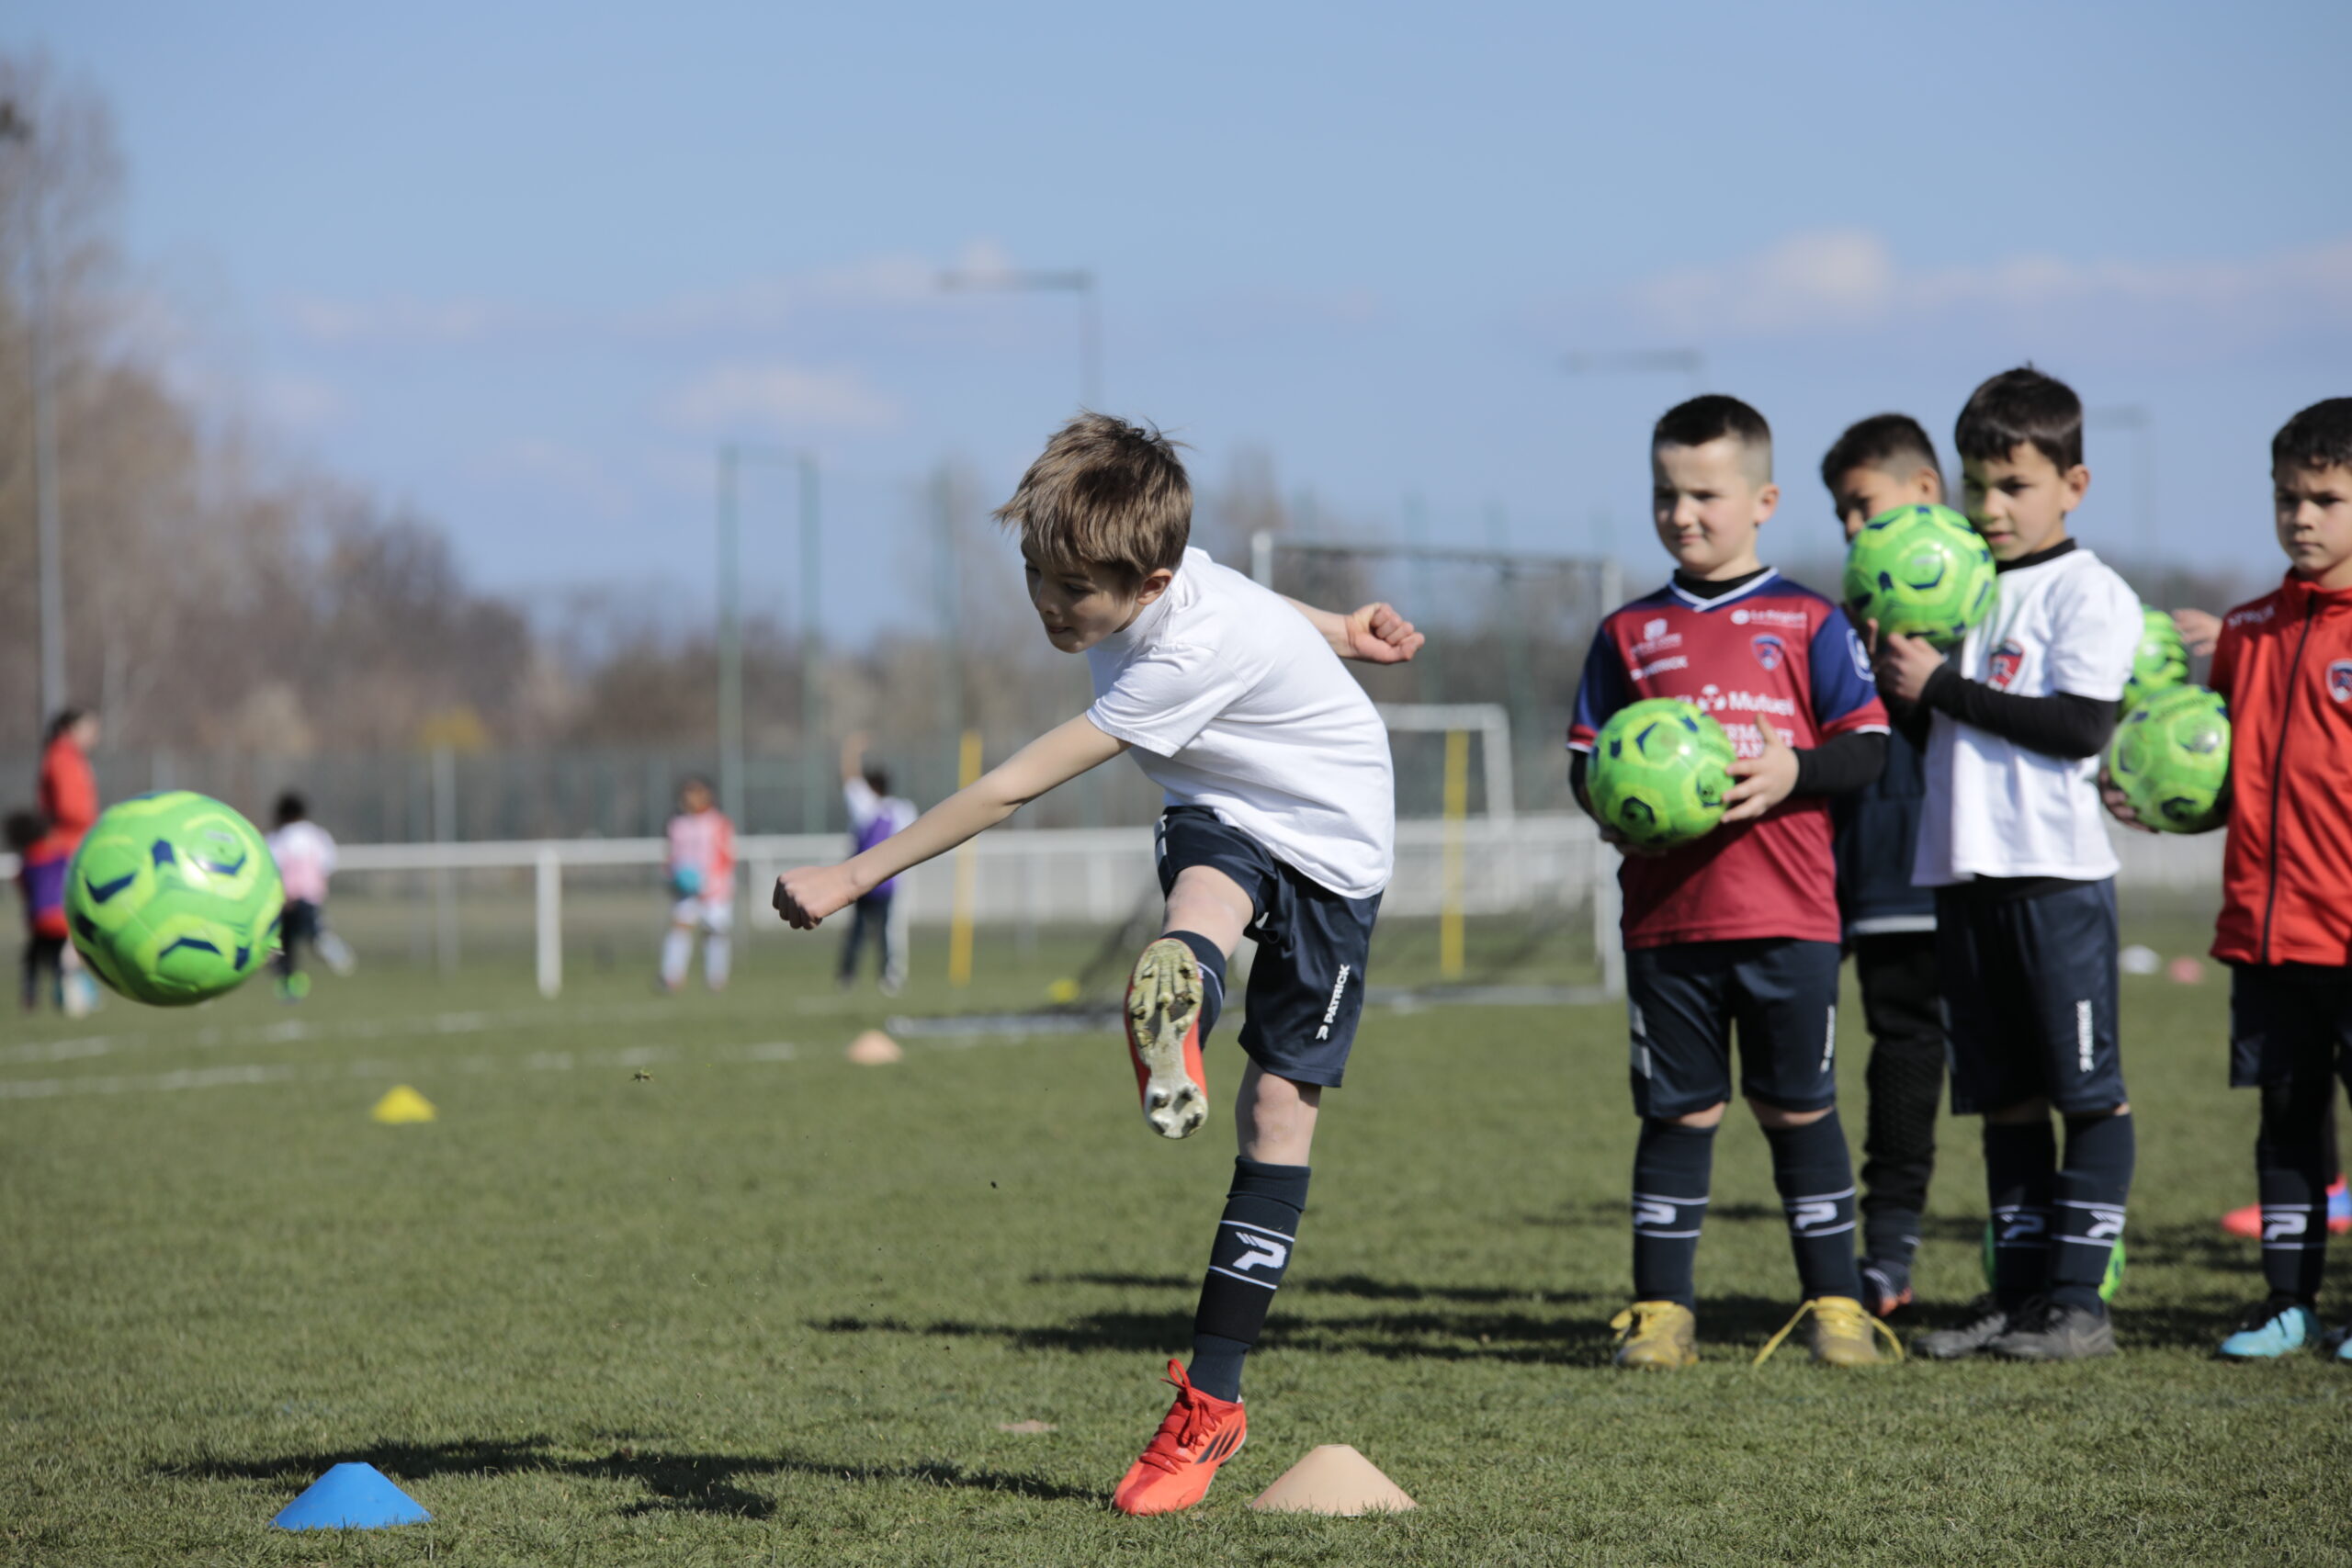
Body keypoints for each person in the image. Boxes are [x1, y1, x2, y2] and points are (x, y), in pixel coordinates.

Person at [772, 414, 1420, 1515]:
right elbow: (1253, 598)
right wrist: (1341, 630)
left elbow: (1009, 788)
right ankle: (1181, 992)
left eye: (1070, 589)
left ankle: (1213, 1395)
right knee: (1202, 888)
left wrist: (855, 874)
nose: (1045, 601)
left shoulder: (1178, 658)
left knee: (1277, 1117)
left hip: (1335, 842)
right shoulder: (1171, 578)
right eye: (1033, 571)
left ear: (1149, 582)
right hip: (1223, 802)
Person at [1569, 395, 1894, 1370]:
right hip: (1667, 921)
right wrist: (1618, 800)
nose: (1683, 514)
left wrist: (1795, 768)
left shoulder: (1809, 619)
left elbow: (1869, 746)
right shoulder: (1627, 632)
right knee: (1678, 1112)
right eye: (1666, 494)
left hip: (1789, 914)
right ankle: (1661, 1312)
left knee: (1799, 1109)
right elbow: (1585, 762)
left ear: (1762, 501)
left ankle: (1836, 1306)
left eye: (1705, 495)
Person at [1873, 367, 2142, 1363]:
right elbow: (1934, 734)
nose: (1991, 508)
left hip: (2054, 878)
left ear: (2073, 485)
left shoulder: (2088, 590)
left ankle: (2079, 1304)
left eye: (2015, 486)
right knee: (2006, 1098)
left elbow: (2078, 727)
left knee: (2087, 1093)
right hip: (1963, 874)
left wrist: (1941, 686)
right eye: (1978, 485)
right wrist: (1900, 684)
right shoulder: (1964, 590)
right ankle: (2019, 1295)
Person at [2106, 398, 2352, 1359]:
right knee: (2285, 1121)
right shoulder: (2247, 631)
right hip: (2265, 929)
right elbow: (2237, 781)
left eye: (2326, 500)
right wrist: (2163, 802)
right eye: (2287, 498)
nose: (2301, 517)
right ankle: (2288, 1303)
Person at [1819, 413, 1952, 1319]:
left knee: (2027, 1073)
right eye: (1842, 512)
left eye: (1864, 505)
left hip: (1984, 878)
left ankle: (2054, 1244)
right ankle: (1887, 1256)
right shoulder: (1838, 625)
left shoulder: (1992, 604)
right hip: (1873, 881)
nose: (1852, 527)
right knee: (1894, 1064)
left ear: (1926, 492)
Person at [837, 733, 916, 996]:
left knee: (858, 931)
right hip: (889, 882)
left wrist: (851, 750)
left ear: (871, 786)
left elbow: (850, 780)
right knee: (886, 932)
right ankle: (888, 976)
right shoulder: (902, 809)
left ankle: (847, 976)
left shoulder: (866, 806)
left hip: (861, 880)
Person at [38, 708, 102, 1017]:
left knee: (79, 923)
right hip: (67, 850)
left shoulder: (70, 756)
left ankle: (74, 987)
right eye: (89, 728)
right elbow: (69, 808)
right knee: (73, 924)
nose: (94, 736)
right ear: (71, 729)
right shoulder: (62, 757)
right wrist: (95, 824)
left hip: (76, 846)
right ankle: (70, 988)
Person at [662, 776, 736, 993]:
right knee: (680, 927)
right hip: (685, 890)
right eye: (688, 792)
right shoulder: (677, 824)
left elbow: (726, 856)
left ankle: (716, 979)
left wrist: (710, 883)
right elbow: (672, 856)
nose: (691, 798)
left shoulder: (718, 823)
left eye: (696, 792)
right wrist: (675, 877)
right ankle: (671, 977)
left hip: (715, 890)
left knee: (714, 932)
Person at [266, 793, 339, 1001]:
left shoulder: (277, 838)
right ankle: (320, 936)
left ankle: (290, 984)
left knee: (282, 947)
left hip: (285, 901)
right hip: (311, 898)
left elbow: (271, 866)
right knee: (308, 930)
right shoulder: (318, 835)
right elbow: (328, 863)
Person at [7, 808, 70, 1012]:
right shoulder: (59, 856)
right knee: (56, 960)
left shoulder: (28, 861)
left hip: (40, 919)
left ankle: (30, 995)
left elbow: (24, 889)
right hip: (60, 920)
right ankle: (62, 993)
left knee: (32, 959)